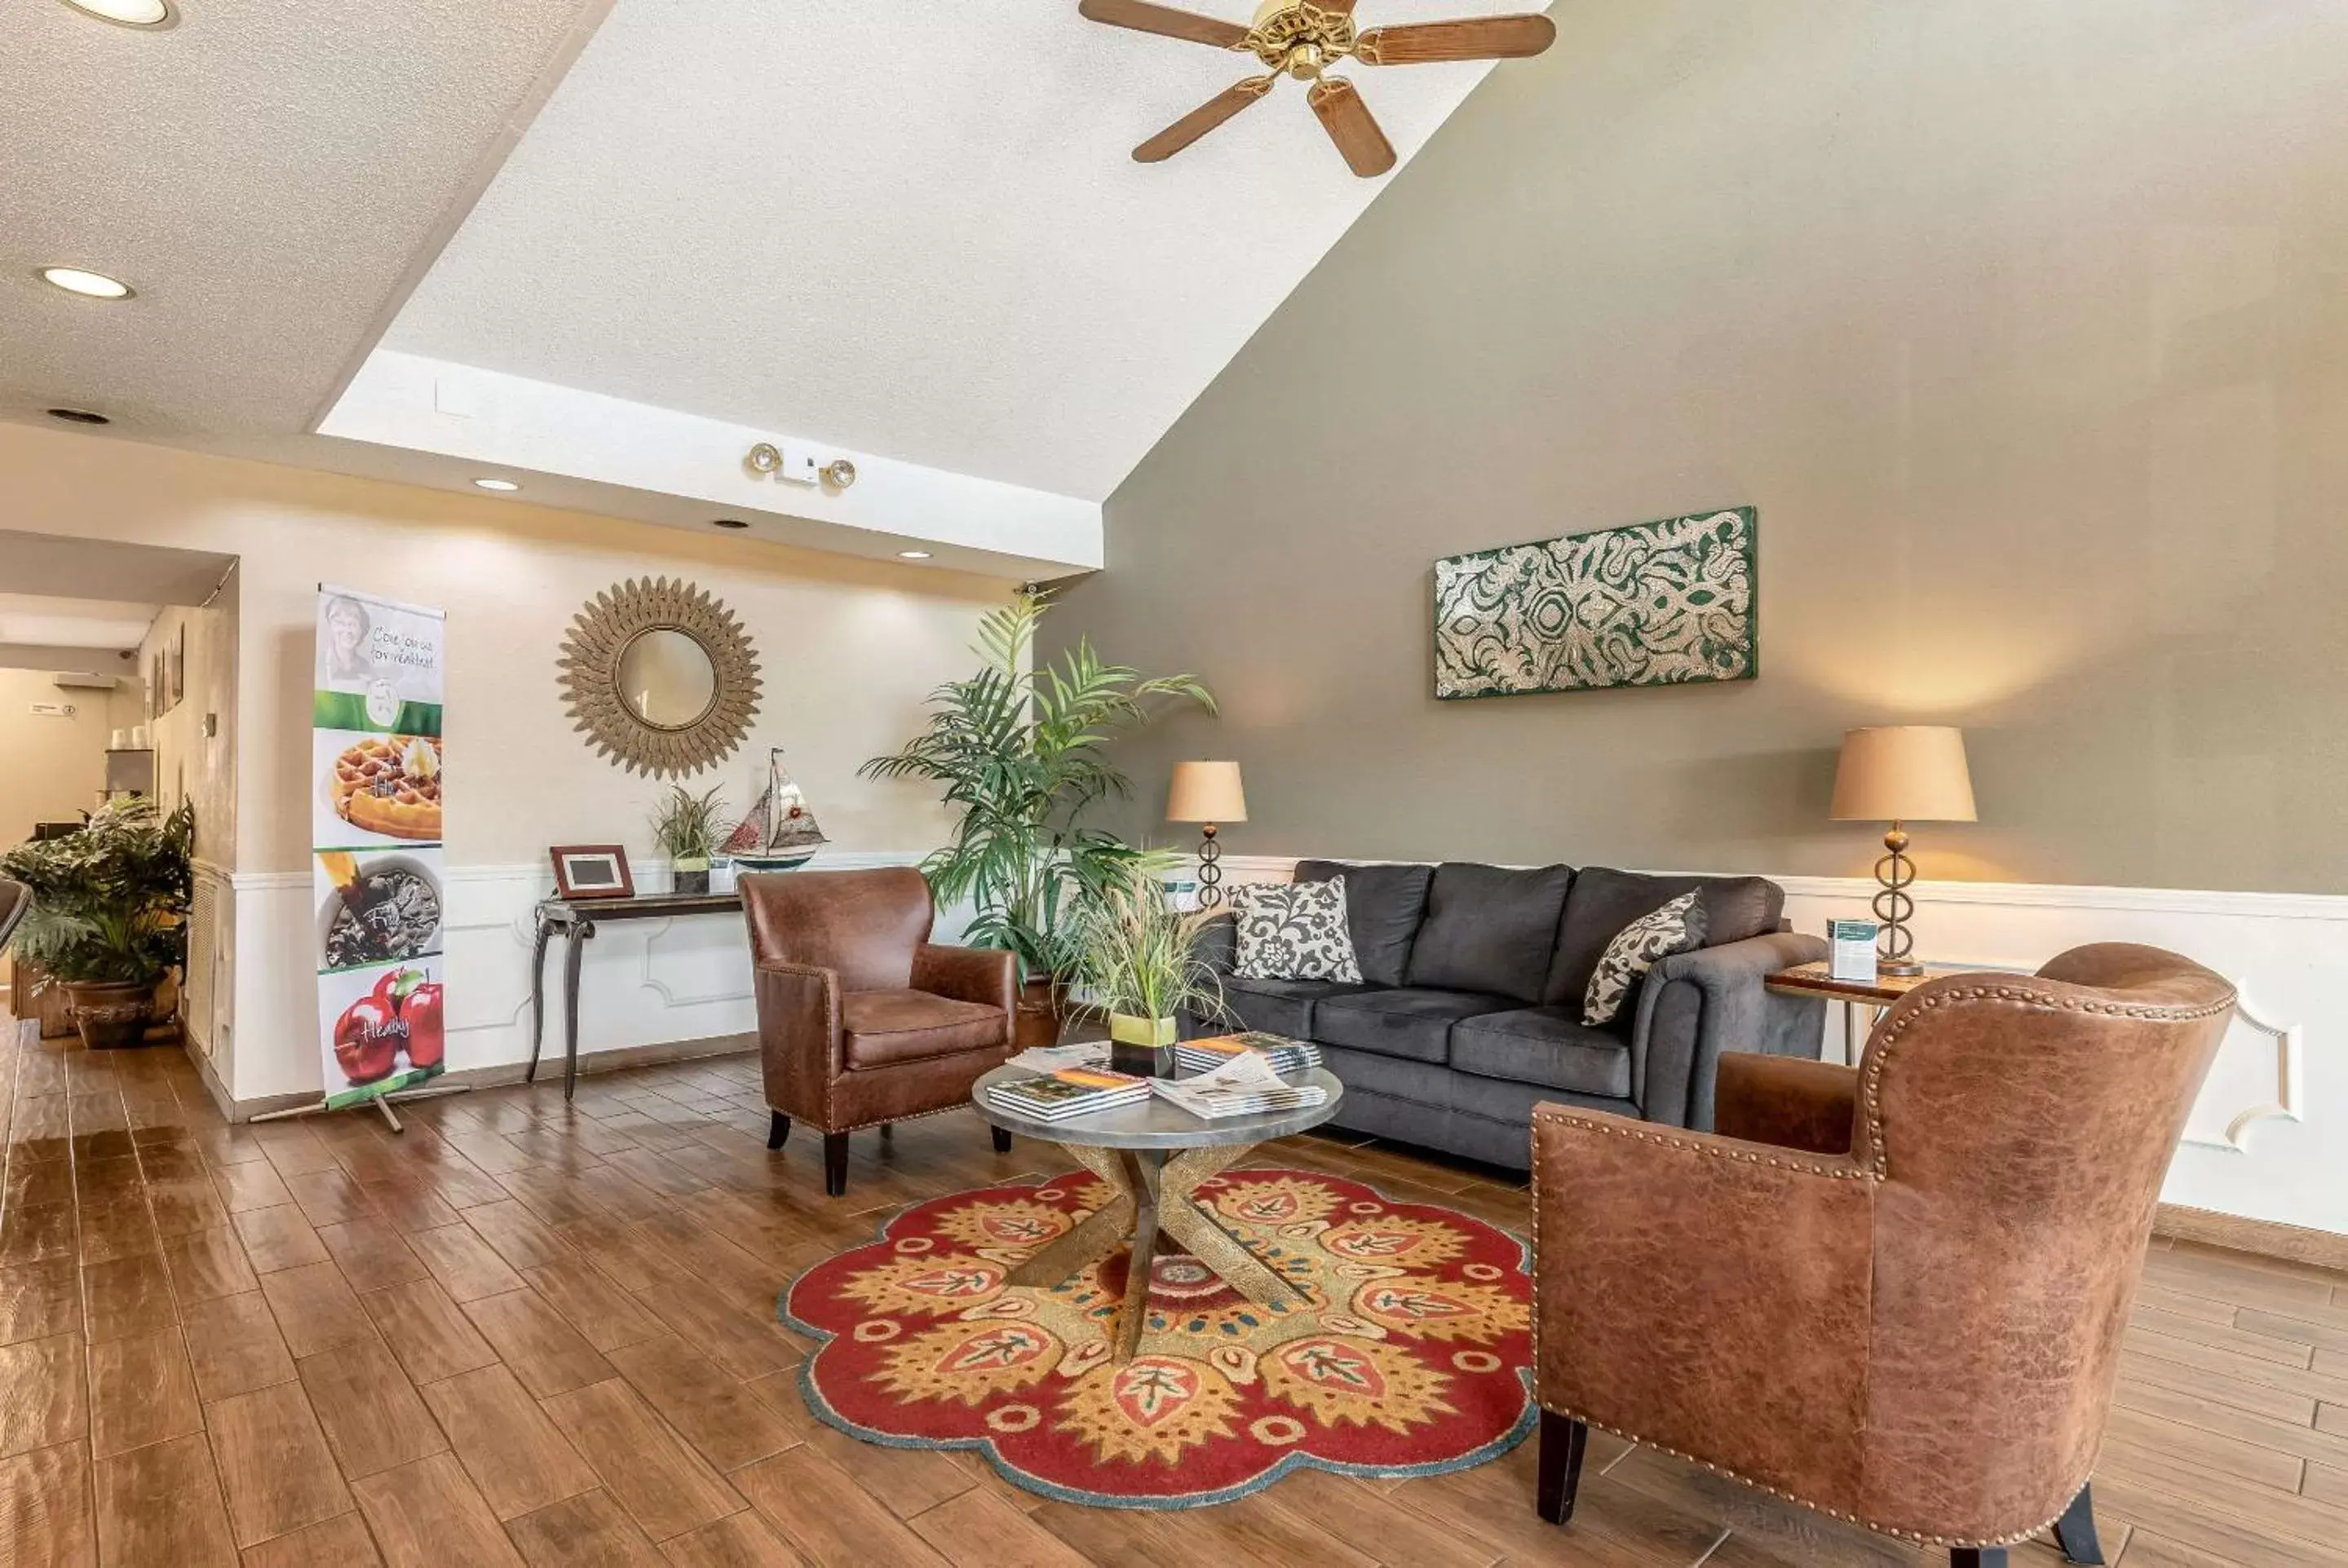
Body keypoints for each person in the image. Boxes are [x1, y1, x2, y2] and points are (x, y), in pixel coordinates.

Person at [323, 595, 374, 684]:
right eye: (339, 622)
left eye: (352, 623)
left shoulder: (368, 669)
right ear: (329, 626)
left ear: (361, 629)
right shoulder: (320, 666)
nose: (347, 629)